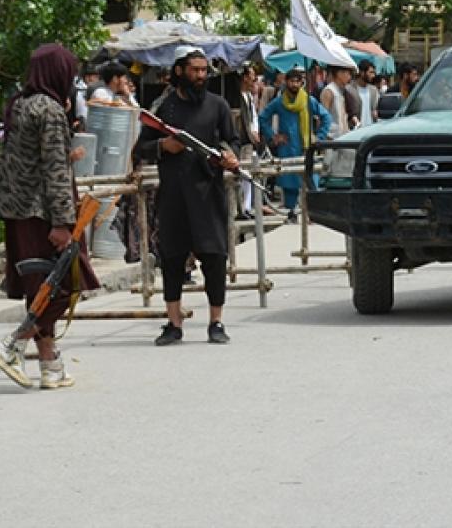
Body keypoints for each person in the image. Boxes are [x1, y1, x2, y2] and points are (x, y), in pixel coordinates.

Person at [0, 44, 100, 389]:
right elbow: (53, 171)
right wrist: (63, 223)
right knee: (65, 285)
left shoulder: (20, 104)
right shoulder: (49, 110)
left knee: (40, 288)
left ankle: (49, 364)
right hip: (42, 214)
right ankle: (13, 345)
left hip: (18, 211)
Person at [136, 46, 240, 346]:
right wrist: (162, 147)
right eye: (195, 70)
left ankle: (216, 322)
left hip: (209, 194)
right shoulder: (163, 108)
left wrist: (229, 155)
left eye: (204, 70)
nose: (200, 76)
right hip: (173, 196)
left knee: (215, 258)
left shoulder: (218, 105)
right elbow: (141, 147)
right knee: (172, 259)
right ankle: (173, 323)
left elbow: (232, 140)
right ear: (179, 70)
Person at [259, 66, 331, 223]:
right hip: (288, 148)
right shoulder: (279, 102)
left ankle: (314, 215)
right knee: (289, 184)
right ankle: (291, 215)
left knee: (312, 182)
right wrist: (274, 136)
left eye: (298, 81)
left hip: (307, 148)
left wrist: (318, 137)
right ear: (286, 82)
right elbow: (263, 118)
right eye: (292, 81)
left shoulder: (308, 101)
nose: (294, 84)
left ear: (302, 83)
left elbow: (326, 118)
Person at [235, 62, 262, 220]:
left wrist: (255, 132)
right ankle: (242, 207)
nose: (254, 80)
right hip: (243, 140)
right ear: (245, 78)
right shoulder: (239, 97)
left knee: (250, 174)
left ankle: (247, 206)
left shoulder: (249, 97)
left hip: (250, 140)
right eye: (252, 76)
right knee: (243, 174)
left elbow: (253, 118)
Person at [320, 65, 358, 139]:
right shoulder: (329, 91)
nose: (350, 77)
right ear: (339, 74)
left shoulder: (341, 90)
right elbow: (322, 118)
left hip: (343, 137)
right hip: (331, 139)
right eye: (348, 74)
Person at [349, 60, 380, 128]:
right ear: (362, 72)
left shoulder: (373, 90)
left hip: (370, 129)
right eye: (371, 72)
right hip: (356, 131)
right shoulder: (349, 89)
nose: (373, 75)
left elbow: (374, 109)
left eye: (374, 73)